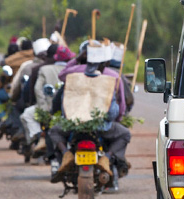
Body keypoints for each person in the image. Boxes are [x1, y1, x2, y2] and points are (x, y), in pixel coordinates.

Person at [49, 41, 131, 187]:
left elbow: (62, 80)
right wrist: (118, 118)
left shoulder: (74, 73)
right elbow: (115, 109)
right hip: (102, 126)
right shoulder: (112, 76)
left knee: (54, 131)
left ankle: (66, 154)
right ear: (105, 61)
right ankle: (106, 157)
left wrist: (76, 59)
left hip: (73, 124)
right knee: (124, 134)